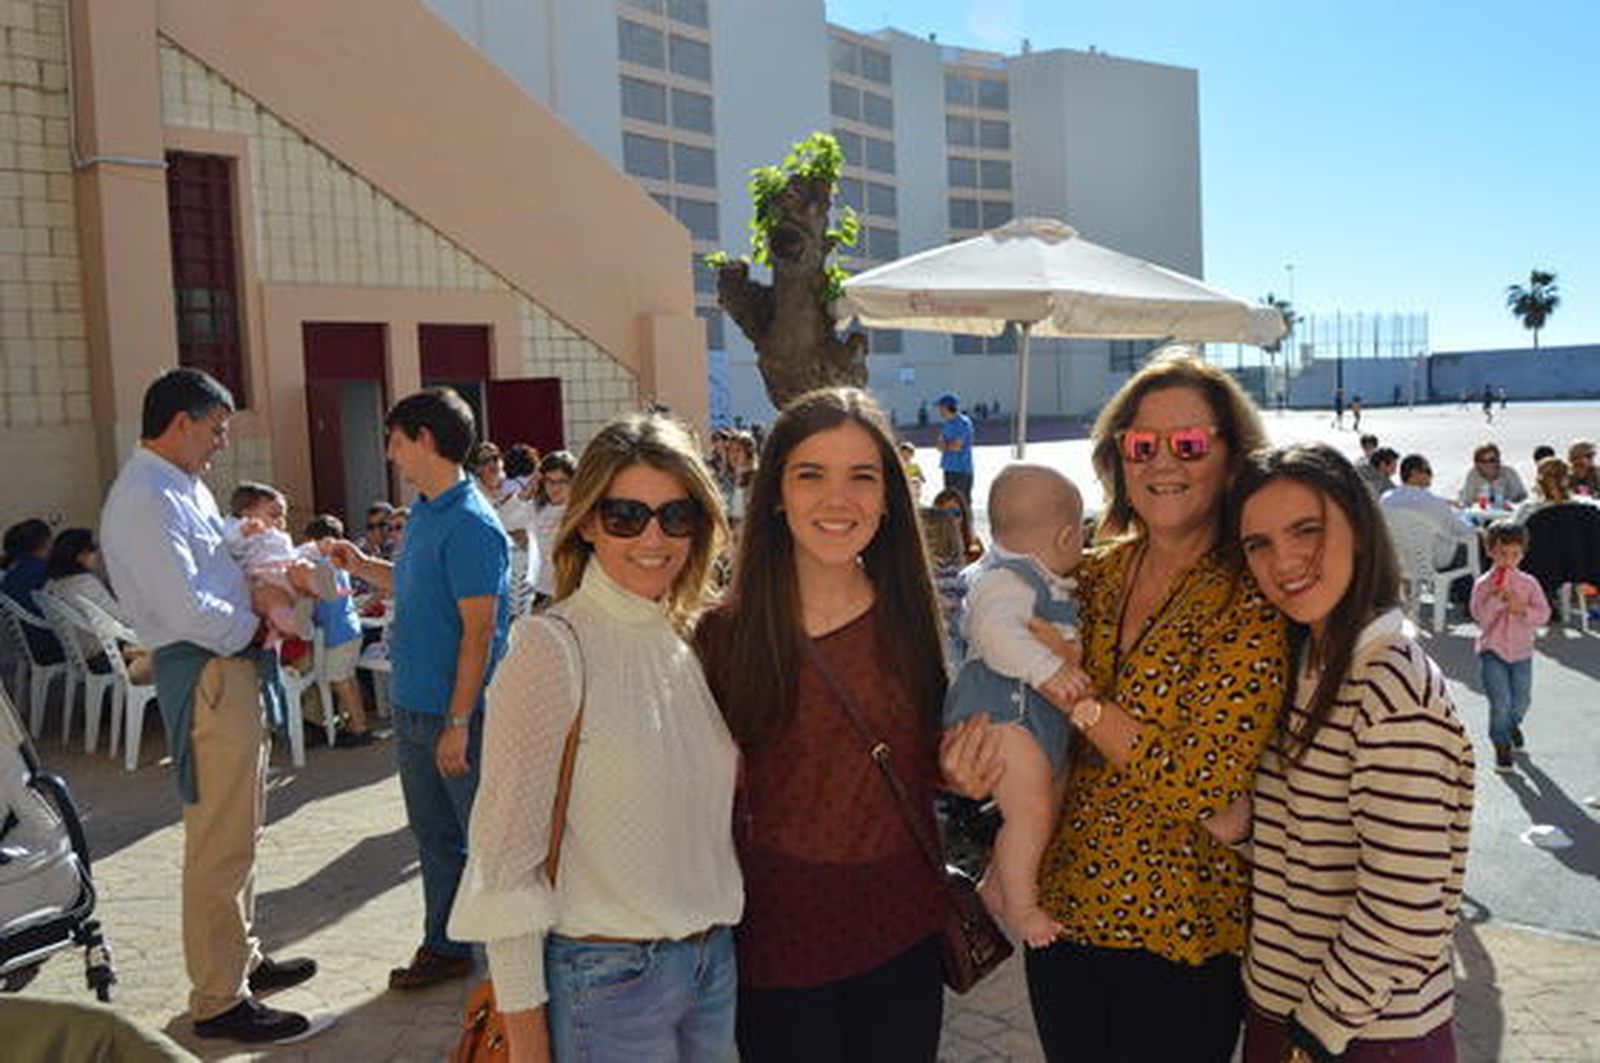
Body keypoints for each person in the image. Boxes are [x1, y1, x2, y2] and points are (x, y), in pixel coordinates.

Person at [948, 350, 1288, 1062]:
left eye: (1189, 442)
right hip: (1063, 915)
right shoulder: (1089, 575)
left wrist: (1076, 700)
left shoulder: (1248, 598)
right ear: (1117, 459)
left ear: (1232, 458)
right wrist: (969, 763)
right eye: (1142, 443)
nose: (1163, 461)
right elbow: (998, 676)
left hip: (1179, 927)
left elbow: (1202, 782)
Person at [450, 411, 742, 1062]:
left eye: (677, 515)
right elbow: (504, 866)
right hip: (607, 982)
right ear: (586, 521)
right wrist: (528, 1043)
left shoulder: (687, 636)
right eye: (626, 515)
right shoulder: (551, 649)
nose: (654, 536)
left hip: (712, 964)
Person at [696, 387, 952, 1062]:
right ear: (776, 491)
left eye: (861, 476)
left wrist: (962, 763)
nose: (838, 500)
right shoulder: (722, 634)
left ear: (889, 495)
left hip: (902, 925)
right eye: (811, 474)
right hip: (776, 939)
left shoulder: (913, 617)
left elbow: (921, 758)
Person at [1233, 442, 1474, 1063]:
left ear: (1361, 533)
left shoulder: (1391, 687)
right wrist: (1238, 831)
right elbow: (1312, 850)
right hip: (1286, 1010)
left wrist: (1314, 1033)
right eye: (1257, 543)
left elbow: (1401, 905)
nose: (1281, 559)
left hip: (1362, 1036)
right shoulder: (1307, 661)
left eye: (1306, 530)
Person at [99, 367, 318, 1044]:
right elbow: (185, 605)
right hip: (210, 674)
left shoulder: (179, 486)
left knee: (240, 828)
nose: (222, 443)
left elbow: (216, 562)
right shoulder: (144, 497)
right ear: (181, 421)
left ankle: (240, 958)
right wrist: (257, 623)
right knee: (219, 840)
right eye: (216, 428)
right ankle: (218, 997)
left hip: (232, 667)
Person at [324, 387, 511, 991]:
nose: (390, 452)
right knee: (434, 838)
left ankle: (516, 959)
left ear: (423, 440)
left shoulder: (473, 523)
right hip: (413, 706)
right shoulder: (429, 512)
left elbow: (479, 630)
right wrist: (359, 565)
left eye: (395, 439)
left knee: (485, 842)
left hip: (455, 716)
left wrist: (458, 721)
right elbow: (412, 583)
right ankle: (447, 945)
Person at [944, 465, 1089, 948]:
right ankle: (1022, 909)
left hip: (1030, 723)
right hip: (1005, 717)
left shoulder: (1038, 581)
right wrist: (1048, 669)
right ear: (1067, 535)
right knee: (1030, 813)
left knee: (1037, 808)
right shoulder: (1006, 580)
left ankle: (997, 889)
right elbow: (994, 634)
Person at [1470, 520, 1550, 774]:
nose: (1508, 560)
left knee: (1521, 701)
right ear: (1490, 552)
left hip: (1522, 652)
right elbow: (1479, 617)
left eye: (1515, 555)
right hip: (1492, 650)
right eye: (1502, 554)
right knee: (1500, 702)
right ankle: (1501, 747)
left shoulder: (1529, 583)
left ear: (1522, 554)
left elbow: (1544, 614)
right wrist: (1495, 601)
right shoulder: (1483, 584)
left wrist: (1521, 609)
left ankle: (1512, 724)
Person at [224, 483, 342, 644]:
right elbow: (230, 545)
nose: (280, 521)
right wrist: (243, 530)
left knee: (302, 567)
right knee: (274, 599)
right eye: (274, 514)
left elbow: (294, 554)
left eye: (283, 516)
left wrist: (316, 547)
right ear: (247, 514)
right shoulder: (242, 531)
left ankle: (322, 584)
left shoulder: (280, 537)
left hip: (287, 570)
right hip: (264, 578)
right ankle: (293, 624)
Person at [302, 515, 374, 748]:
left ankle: (359, 728)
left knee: (339, 680)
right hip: (350, 627)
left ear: (323, 541)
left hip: (338, 632)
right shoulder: (339, 563)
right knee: (348, 678)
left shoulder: (323, 566)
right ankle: (353, 722)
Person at [43, 527, 151, 681]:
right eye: (93, 549)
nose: (97, 554)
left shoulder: (52, 584)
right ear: (80, 556)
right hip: (106, 656)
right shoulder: (85, 583)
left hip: (82, 655)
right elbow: (123, 620)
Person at [1382, 454, 1478, 570]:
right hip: (1435, 561)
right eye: (1428, 471)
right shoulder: (1433, 502)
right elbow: (1463, 530)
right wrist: (1478, 528)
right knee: (1475, 541)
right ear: (1415, 473)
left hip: (1401, 561)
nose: (1431, 476)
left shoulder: (1386, 499)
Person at [2, 518, 62, 662]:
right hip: (50, 644)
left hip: (27, 644)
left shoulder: (11, 576)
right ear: (47, 542)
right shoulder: (45, 572)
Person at [526, 449, 575, 609]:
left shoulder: (578, 512)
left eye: (562, 481)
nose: (555, 487)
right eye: (550, 481)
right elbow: (507, 518)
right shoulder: (535, 508)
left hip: (570, 592)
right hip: (540, 592)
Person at [1456, 442, 1527, 508]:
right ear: (1477, 464)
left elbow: (1522, 497)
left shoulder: (1509, 473)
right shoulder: (1473, 475)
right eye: (1483, 461)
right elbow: (1466, 501)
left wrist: (1510, 503)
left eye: (1492, 460)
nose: (1489, 464)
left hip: (1506, 515)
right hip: (1480, 515)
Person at [935, 391, 975, 503]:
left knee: (961, 501)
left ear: (947, 407)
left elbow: (956, 446)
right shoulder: (947, 423)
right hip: (948, 467)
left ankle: (967, 521)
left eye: (940, 407)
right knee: (949, 500)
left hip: (961, 469)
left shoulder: (963, 423)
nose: (939, 410)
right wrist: (947, 444)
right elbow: (939, 445)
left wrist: (946, 445)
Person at [932, 487, 985, 565]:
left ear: (964, 516)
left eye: (955, 513)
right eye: (943, 515)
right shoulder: (928, 547)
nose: (951, 520)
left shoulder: (974, 545)